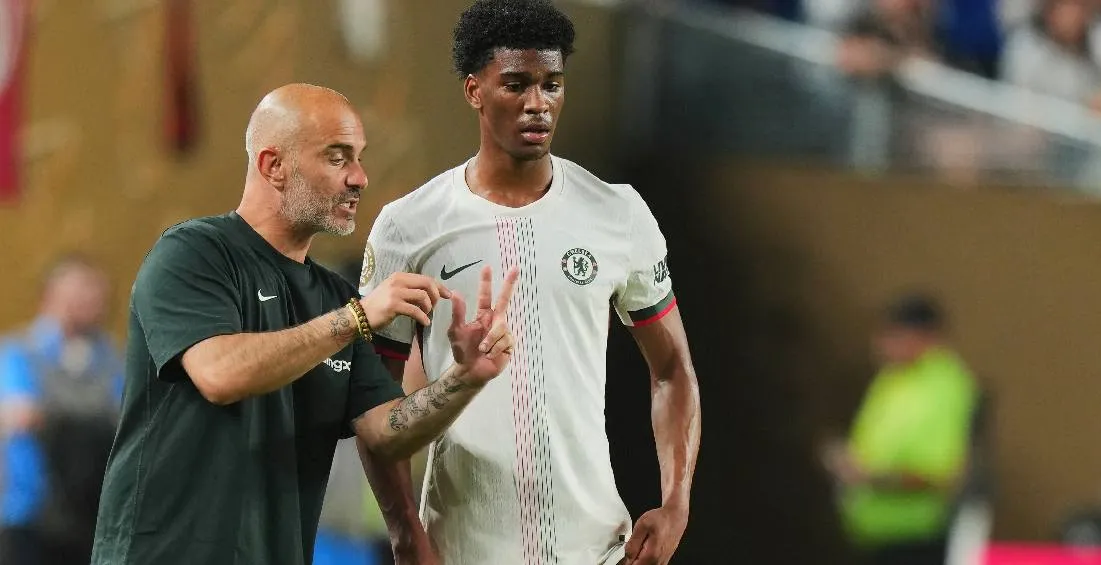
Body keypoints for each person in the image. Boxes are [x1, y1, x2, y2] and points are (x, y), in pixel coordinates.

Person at [89, 83, 519, 565]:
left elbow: (385, 432)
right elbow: (219, 373)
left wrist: (465, 377)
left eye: (358, 158)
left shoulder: (335, 298)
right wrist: (356, 318)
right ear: (273, 165)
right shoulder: (194, 253)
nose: (359, 178)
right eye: (337, 158)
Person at [356, 2, 702, 564]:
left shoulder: (617, 213)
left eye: (552, 85)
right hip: (463, 549)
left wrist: (676, 503)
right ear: (474, 91)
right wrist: (403, 531)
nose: (538, 103)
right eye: (516, 84)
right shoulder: (408, 227)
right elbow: (374, 408)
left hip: (596, 548)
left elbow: (672, 369)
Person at [821, 293, 978, 565]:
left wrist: (870, 477)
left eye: (892, 335)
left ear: (925, 337)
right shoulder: (892, 377)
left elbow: (940, 474)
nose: (880, 344)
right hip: (870, 532)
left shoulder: (945, 387)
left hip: (914, 537)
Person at [0, 255, 122, 565]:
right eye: (78, 292)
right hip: (29, 511)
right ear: (49, 296)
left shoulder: (113, 358)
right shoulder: (18, 352)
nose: (89, 302)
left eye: (95, 295)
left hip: (94, 512)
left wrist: (50, 415)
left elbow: (124, 420)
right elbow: (19, 415)